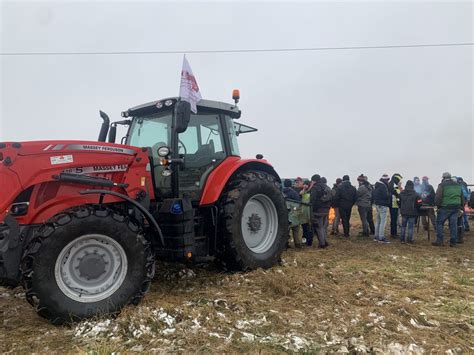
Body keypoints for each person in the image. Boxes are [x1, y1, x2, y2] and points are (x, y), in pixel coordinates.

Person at [433, 172, 464, 247]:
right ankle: (453, 242)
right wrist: (461, 207)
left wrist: (437, 205)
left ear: (443, 178)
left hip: (445, 207)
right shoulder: (458, 185)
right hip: (456, 207)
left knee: (439, 223)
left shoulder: (442, 185)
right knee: (453, 225)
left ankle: (439, 241)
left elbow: (438, 197)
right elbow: (462, 197)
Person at [309, 174, 332, 248]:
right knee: (324, 227)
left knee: (319, 227)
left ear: (313, 180)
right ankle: (325, 241)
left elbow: (312, 200)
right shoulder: (327, 187)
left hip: (318, 210)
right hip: (326, 209)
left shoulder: (315, 188)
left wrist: (312, 208)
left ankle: (322, 244)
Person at [283, 179, 303, 248]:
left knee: (285, 229)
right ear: (291, 184)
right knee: (295, 228)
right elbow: (298, 202)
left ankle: (285, 244)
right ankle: (297, 244)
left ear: (284, 184)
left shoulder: (280, 192)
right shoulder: (294, 192)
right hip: (293, 212)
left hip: (284, 213)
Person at [373, 174, 391, 243]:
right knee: (382, 222)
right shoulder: (383, 186)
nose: (388, 181)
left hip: (377, 205)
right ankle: (381, 237)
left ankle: (376, 236)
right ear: (385, 180)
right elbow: (385, 196)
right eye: (388, 180)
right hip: (383, 205)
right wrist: (390, 194)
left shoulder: (377, 186)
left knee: (378, 221)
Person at [388, 174, 403, 238]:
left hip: (394, 205)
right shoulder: (393, 185)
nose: (399, 181)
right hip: (394, 205)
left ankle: (394, 233)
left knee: (394, 220)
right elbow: (397, 194)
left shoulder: (392, 184)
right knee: (394, 220)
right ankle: (393, 234)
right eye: (399, 180)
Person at [301, 180, 314, 246]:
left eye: (306, 184)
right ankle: (304, 240)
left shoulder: (311, 192)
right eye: (304, 184)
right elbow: (300, 194)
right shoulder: (303, 191)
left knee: (309, 227)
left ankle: (309, 241)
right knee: (304, 227)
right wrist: (304, 188)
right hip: (303, 212)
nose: (305, 185)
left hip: (309, 212)